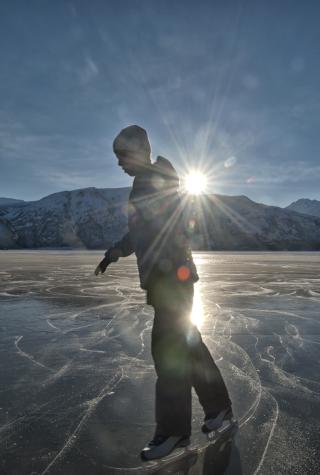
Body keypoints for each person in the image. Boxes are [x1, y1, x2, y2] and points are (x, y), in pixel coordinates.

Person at [95, 125, 233, 460]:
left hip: (172, 278)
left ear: (140, 152)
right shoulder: (143, 184)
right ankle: (219, 410)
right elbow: (140, 234)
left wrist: (171, 265)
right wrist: (115, 252)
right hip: (166, 279)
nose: (120, 164)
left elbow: (178, 224)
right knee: (189, 344)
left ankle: (173, 432)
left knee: (167, 351)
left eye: (122, 156)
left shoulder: (159, 181)